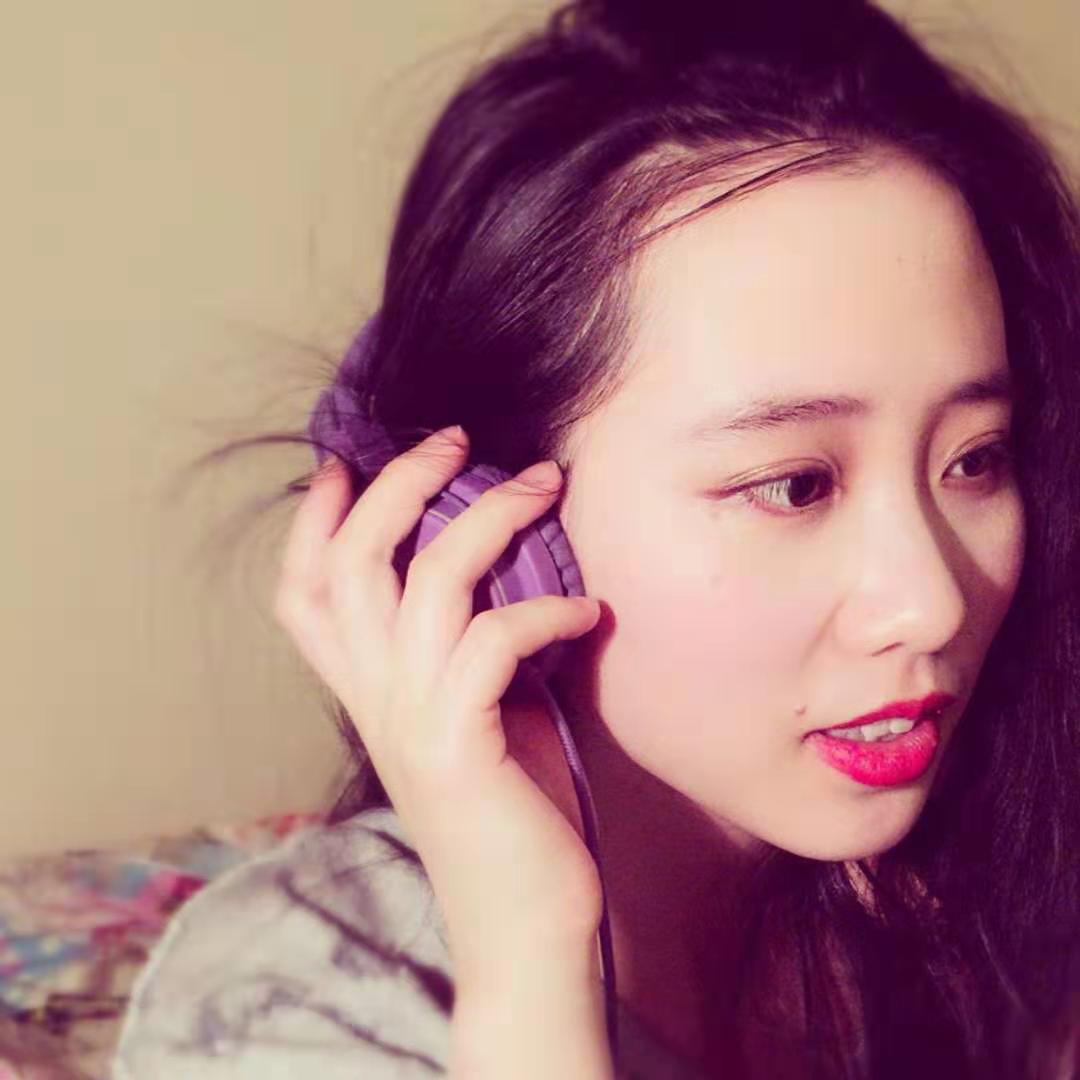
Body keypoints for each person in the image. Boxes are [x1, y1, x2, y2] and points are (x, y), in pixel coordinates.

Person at [113, 0, 1080, 1076]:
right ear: (490, 535)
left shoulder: (988, 900)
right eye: (796, 484)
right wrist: (530, 963)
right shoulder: (293, 1001)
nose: (931, 602)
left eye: (975, 461)